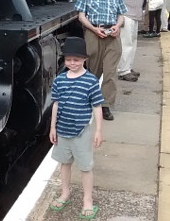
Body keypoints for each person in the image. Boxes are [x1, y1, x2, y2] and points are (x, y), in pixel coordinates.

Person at [49, 37, 104, 219]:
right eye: (69, 59)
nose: (72, 63)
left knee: (85, 167)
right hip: (62, 131)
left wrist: (98, 131)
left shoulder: (91, 81)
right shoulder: (59, 80)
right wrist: (52, 128)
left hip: (81, 131)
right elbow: (55, 104)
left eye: (77, 60)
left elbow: (97, 106)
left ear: (84, 60)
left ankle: (87, 200)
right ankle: (65, 192)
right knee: (64, 163)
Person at [75, 0, 127, 121]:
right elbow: (81, 15)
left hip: (112, 35)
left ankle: (105, 106)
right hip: (94, 33)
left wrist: (117, 26)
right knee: (93, 71)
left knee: (110, 72)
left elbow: (121, 15)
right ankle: (88, 102)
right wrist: (92, 28)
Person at [111, 0, 143, 82]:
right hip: (126, 15)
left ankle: (128, 67)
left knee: (133, 43)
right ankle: (122, 70)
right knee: (126, 44)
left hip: (135, 16)